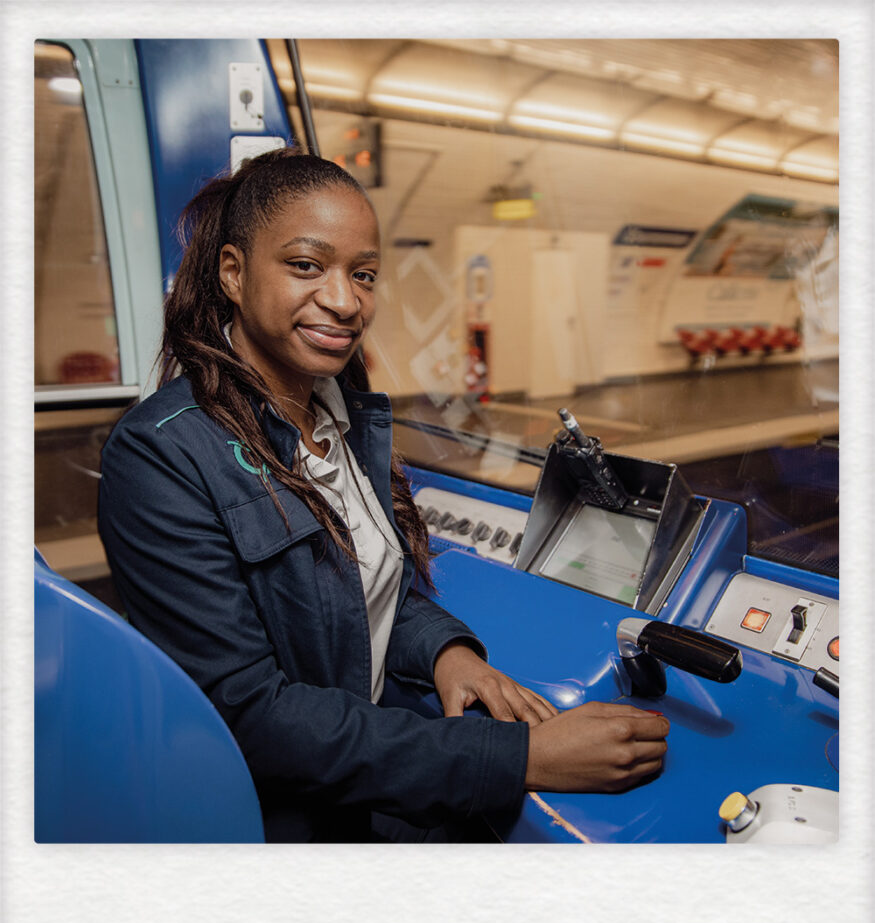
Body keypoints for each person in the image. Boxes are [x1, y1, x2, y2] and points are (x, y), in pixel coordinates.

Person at [98, 149, 670, 842]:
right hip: (281, 820)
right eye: (306, 265)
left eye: (362, 275)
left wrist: (443, 652)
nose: (345, 301)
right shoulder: (160, 454)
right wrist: (517, 757)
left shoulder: (340, 415)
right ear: (233, 273)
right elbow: (248, 716)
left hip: (357, 768)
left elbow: (357, 592)